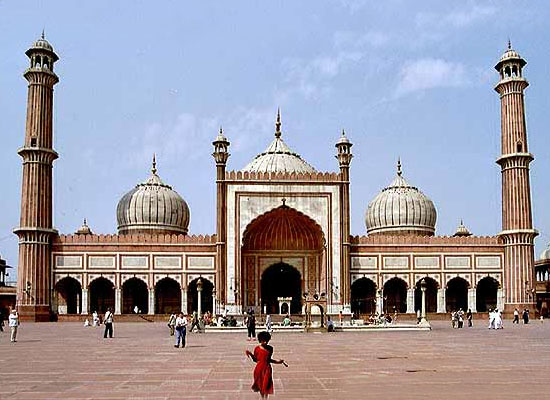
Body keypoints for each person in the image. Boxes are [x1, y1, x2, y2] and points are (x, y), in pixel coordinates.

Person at [245, 331, 286, 399]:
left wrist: (278, 362)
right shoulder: (257, 349)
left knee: (266, 384)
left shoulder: (270, 348)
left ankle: (266, 398)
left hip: (267, 369)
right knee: (260, 385)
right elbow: (255, 360)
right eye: (264, 341)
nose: (265, 342)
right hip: (259, 369)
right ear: (260, 340)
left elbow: (269, 360)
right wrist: (250, 354)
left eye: (267, 341)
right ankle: (262, 398)